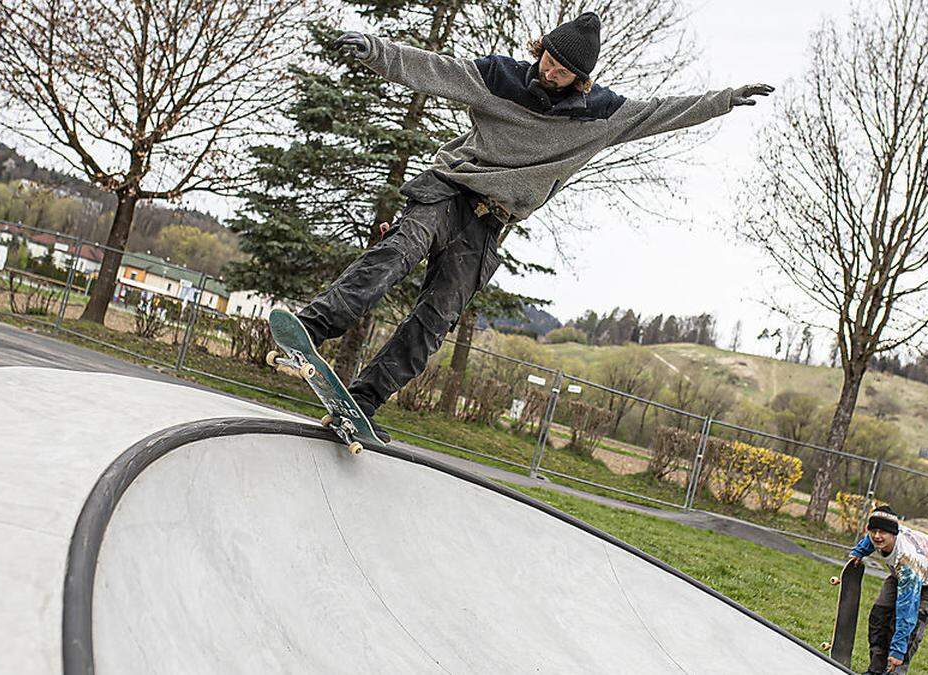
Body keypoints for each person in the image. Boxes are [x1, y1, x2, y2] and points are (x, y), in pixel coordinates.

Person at [299, 12, 773, 441]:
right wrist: (376, 50)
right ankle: (313, 327)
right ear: (540, 48)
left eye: (562, 71)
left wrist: (724, 100)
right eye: (547, 59)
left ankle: (362, 402)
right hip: (448, 189)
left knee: (435, 319)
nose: (549, 72)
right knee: (397, 253)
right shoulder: (498, 77)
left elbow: (661, 112)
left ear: (581, 79)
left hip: (489, 222)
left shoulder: (602, 115)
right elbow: (436, 70)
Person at [849, 505, 928, 674]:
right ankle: (876, 670)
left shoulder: (907, 560)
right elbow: (873, 536)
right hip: (906, 572)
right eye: (873, 530)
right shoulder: (883, 531)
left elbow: (907, 609)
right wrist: (859, 552)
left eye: (882, 532)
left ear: (893, 534)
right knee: (879, 614)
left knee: (911, 623)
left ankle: (895, 670)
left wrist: (897, 650)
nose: (877, 536)